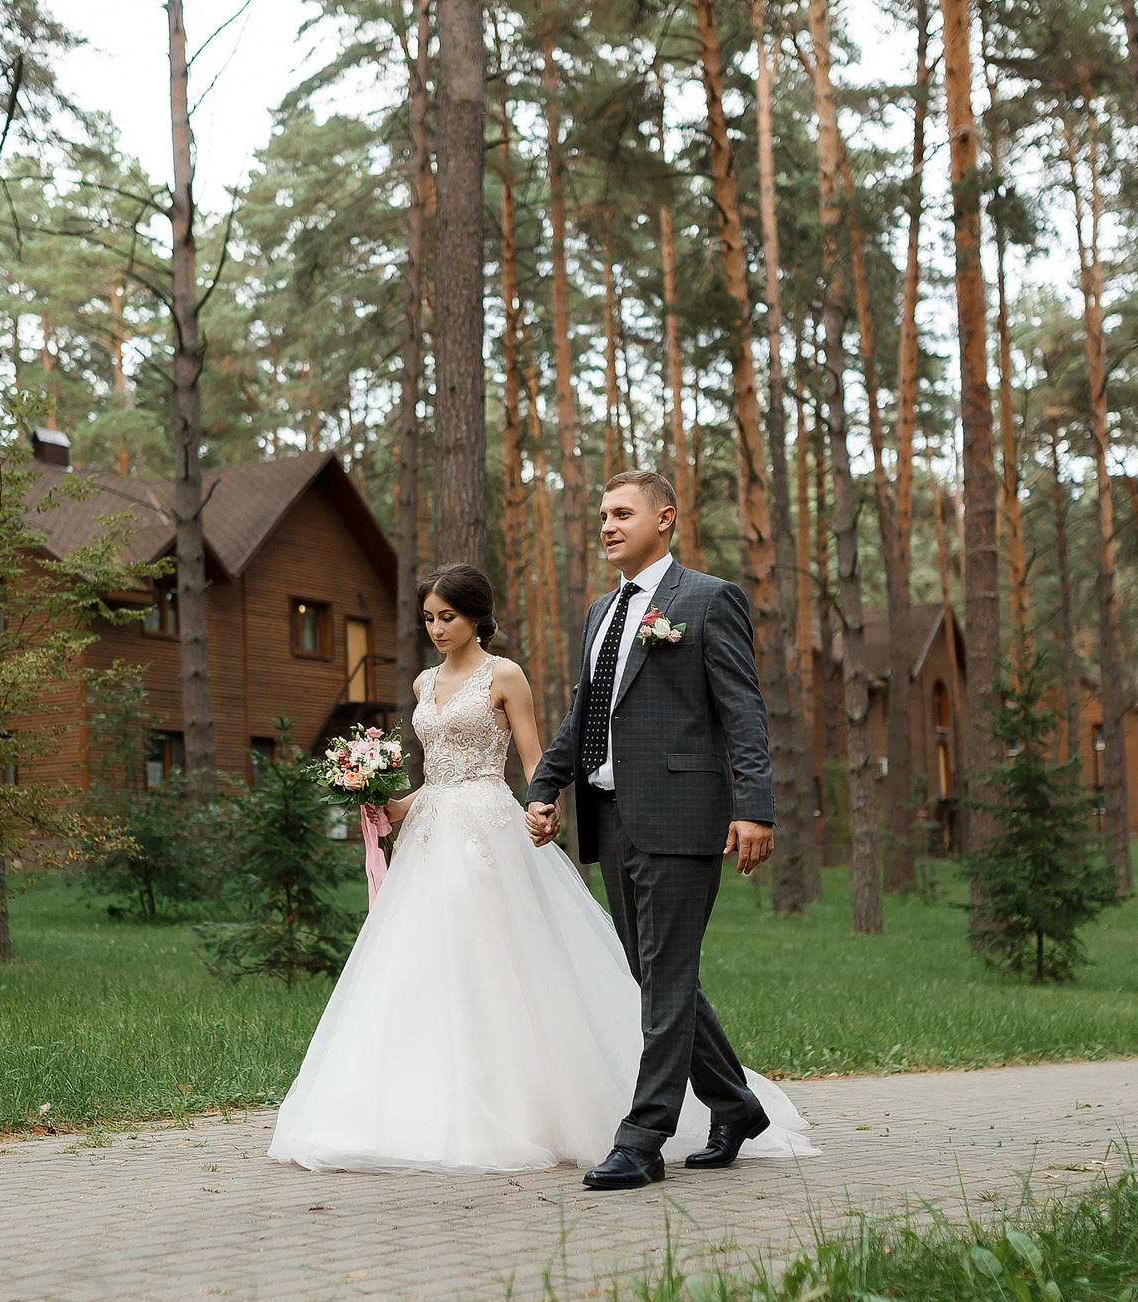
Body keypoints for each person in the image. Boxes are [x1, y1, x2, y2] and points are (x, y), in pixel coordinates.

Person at [268, 561, 813, 1177]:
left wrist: (543, 800)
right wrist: (388, 802)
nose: (437, 628)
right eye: (429, 619)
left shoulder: (507, 673)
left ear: (477, 616)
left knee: (601, 969)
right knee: (434, 963)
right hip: (431, 833)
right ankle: (729, 1103)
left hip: (496, 831)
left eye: (448, 616)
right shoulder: (429, 681)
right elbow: (454, 770)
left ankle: (632, 1129)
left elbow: (539, 753)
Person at [525, 470, 777, 1190]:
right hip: (612, 820)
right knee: (655, 975)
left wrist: (755, 806)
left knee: (665, 978)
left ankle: (643, 1138)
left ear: (664, 518)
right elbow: (586, 710)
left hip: (681, 816)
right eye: (602, 514)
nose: (607, 525)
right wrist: (546, 783)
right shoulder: (602, 612)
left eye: (622, 513)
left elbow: (743, 710)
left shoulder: (707, 599)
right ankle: (735, 1105)